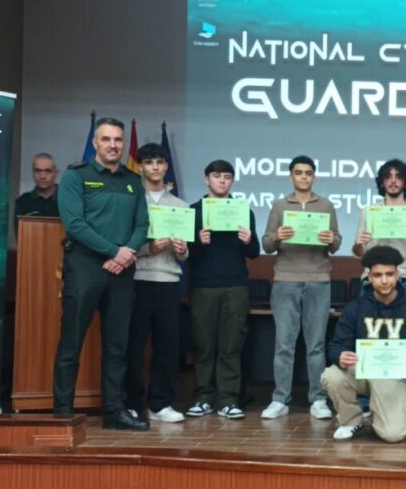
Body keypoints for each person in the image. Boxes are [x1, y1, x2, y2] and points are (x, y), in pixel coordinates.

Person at [53, 117, 149, 430]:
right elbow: (75, 225)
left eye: (118, 140)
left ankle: (114, 411)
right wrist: (114, 251)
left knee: (117, 345)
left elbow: (142, 225)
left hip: (122, 271)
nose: (113, 145)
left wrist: (125, 254)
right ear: (95, 143)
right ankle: (63, 412)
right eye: (106, 139)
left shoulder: (133, 180)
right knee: (72, 342)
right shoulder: (75, 176)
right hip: (84, 267)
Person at [321, 246, 406, 442]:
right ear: (369, 277)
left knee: (393, 435)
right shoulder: (355, 308)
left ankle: (380, 414)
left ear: (397, 275)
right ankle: (351, 420)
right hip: (362, 371)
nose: (384, 280)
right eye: (378, 275)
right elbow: (336, 345)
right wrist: (340, 355)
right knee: (331, 375)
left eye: (389, 274)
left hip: (396, 375)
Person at [260, 155, 341, 419]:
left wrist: (332, 239)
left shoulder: (326, 205)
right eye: (298, 173)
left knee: (316, 344)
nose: (303, 177)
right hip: (285, 279)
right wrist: (276, 236)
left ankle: (317, 398)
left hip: (318, 280)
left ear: (313, 176)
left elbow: (336, 242)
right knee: (284, 343)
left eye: (308, 173)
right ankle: (280, 399)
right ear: (291, 176)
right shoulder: (280, 205)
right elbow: (266, 244)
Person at [186, 160, 261, 420]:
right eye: (217, 176)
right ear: (207, 179)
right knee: (205, 345)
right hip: (204, 286)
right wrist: (198, 241)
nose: (222, 181)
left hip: (235, 286)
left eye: (227, 177)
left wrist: (249, 240)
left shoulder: (242, 210)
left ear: (232, 181)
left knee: (231, 345)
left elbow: (254, 253)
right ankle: (203, 397)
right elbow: (186, 255)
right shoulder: (194, 210)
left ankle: (229, 399)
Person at [123, 143, 189, 423]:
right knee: (133, 347)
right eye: (149, 162)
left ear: (165, 167)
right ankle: (133, 403)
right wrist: (149, 248)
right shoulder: (131, 200)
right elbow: (122, 245)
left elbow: (186, 256)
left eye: (160, 162)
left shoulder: (180, 206)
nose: (155, 167)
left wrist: (183, 249)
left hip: (167, 282)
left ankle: (161, 404)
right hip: (137, 281)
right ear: (140, 166)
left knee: (167, 346)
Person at [352, 159, 406, 300]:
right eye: (388, 177)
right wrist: (358, 245)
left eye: (399, 177)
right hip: (372, 279)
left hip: (404, 277)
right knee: (366, 322)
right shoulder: (368, 212)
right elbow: (359, 253)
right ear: (382, 183)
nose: (393, 181)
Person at [15, 153, 59, 226]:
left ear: (56, 173)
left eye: (47, 171)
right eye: (38, 171)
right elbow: (19, 235)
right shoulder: (22, 202)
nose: (42, 176)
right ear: (33, 174)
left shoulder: (68, 199)